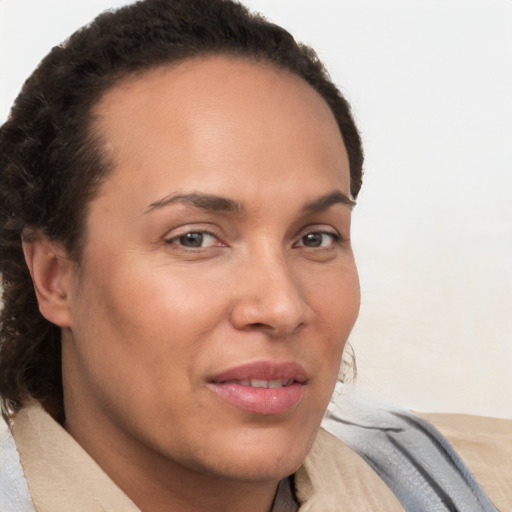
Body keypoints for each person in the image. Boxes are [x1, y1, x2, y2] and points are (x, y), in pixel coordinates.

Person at [0, 1, 509, 511]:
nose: (282, 307)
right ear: (54, 276)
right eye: (194, 238)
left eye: (315, 238)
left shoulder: (485, 484)